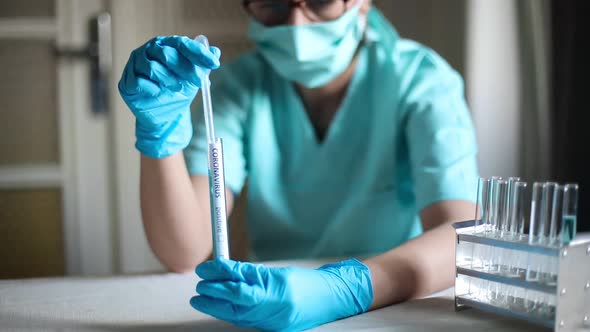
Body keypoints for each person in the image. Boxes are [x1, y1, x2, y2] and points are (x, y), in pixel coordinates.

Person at [118, 0, 479, 330]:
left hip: (390, 307)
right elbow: (184, 251)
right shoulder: (235, 87)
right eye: (272, 3)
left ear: (362, 4)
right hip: (268, 307)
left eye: (320, 1)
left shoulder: (421, 80)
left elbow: (462, 238)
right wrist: (160, 137)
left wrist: (347, 289)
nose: (295, 22)